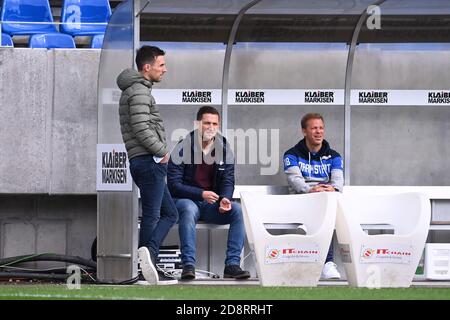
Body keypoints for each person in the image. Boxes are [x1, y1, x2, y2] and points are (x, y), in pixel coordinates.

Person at [116, 45, 178, 285]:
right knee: (153, 216)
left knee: (169, 213)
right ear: (147, 67)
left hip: (143, 161)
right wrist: (162, 152)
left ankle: (149, 262)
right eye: (161, 65)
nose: (165, 69)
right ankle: (146, 265)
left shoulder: (137, 89)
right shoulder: (140, 91)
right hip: (149, 161)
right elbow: (142, 127)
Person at [167, 106, 250, 280]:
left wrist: (225, 199)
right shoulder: (182, 147)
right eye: (206, 123)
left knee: (238, 210)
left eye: (214, 123)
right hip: (186, 200)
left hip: (211, 204)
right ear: (197, 124)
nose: (210, 127)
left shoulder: (224, 148)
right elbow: (174, 185)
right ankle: (188, 265)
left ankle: (232, 265)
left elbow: (228, 179)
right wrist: (201, 194)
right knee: (189, 209)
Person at [283, 112, 344, 280]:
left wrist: (329, 190)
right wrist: (311, 190)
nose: (319, 132)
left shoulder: (334, 156)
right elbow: (295, 181)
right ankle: (326, 263)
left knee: (327, 205)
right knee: (324, 208)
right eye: (314, 128)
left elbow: (338, 182)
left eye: (321, 128)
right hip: (301, 200)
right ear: (304, 131)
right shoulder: (291, 154)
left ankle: (327, 262)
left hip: (325, 201)